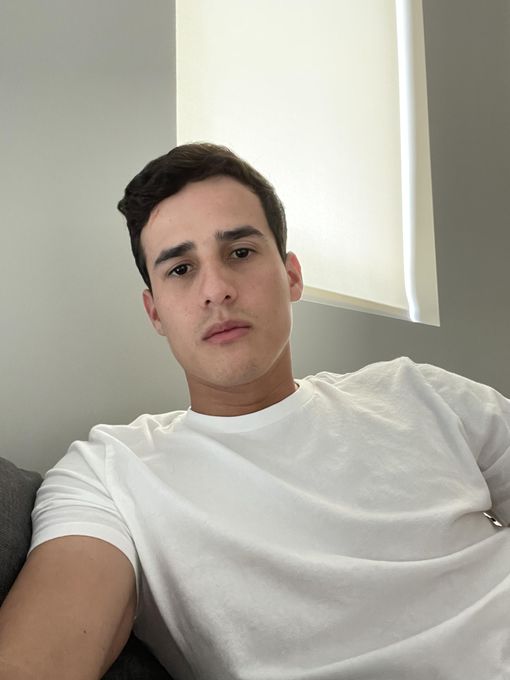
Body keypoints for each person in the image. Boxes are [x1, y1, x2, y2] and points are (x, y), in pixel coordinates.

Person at [0, 143, 509, 680]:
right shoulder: (109, 475)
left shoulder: (419, 391)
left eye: (240, 252)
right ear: (155, 313)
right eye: (180, 268)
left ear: (291, 276)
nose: (216, 290)